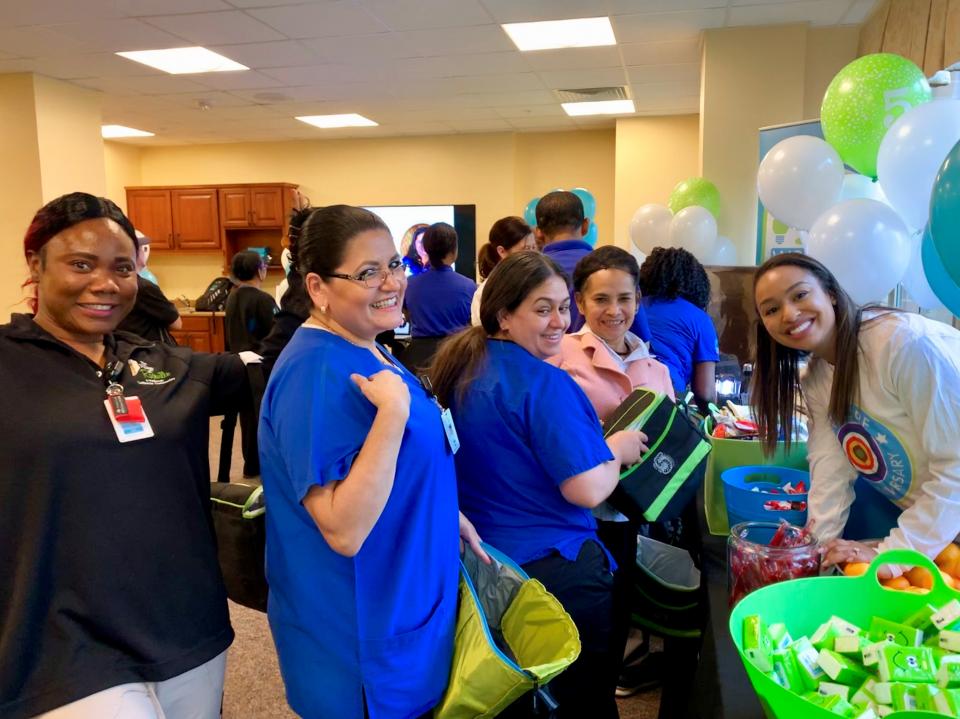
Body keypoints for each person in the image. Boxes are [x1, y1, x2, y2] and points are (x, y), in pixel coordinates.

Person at [1, 192, 252, 719]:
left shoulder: (164, 365)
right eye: (80, 264)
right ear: (36, 264)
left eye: (122, 267)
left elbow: (293, 374)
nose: (105, 283)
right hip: (61, 646)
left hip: (186, 626)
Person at [258, 205, 486, 719]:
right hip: (360, 640)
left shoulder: (369, 346)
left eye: (395, 265)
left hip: (404, 600)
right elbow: (342, 528)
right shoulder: (316, 371)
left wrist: (439, 510)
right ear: (317, 288)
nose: (391, 283)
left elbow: (391, 467)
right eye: (367, 273)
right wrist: (393, 414)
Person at [429, 251, 647, 719]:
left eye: (563, 307)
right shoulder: (545, 384)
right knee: (581, 699)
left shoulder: (464, 366)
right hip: (555, 575)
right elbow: (586, 490)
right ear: (504, 315)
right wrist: (618, 450)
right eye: (542, 309)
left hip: (485, 568)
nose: (558, 322)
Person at [752, 252, 960, 572]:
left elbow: (956, 468)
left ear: (831, 293)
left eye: (800, 295)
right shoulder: (816, 378)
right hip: (940, 533)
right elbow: (829, 474)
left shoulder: (903, 345)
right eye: (772, 309)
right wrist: (812, 560)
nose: (789, 314)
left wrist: (889, 558)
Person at [546, 245, 675, 696]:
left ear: (638, 299)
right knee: (577, 626)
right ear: (579, 302)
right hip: (573, 516)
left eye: (625, 298)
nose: (614, 310)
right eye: (601, 299)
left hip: (629, 516)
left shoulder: (654, 367)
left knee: (619, 617)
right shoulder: (557, 357)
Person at [536, 190, 651, 343]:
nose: (613, 310)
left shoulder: (523, 273)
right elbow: (641, 338)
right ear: (585, 226)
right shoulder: (616, 270)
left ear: (538, 233)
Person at [639, 247, 719, 411]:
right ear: (696, 282)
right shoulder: (700, 319)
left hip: (622, 396)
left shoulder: (633, 307)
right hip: (666, 400)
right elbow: (705, 394)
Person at [224, 250, 276, 478]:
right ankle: (264, 465)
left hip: (238, 365)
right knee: (263, 417)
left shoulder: (232, 297)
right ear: (260, 270)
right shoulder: (263, 300)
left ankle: (250, 465)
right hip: (260, 367)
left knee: (247, 419)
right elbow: (275, 336)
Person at [404, 222, 476, 338]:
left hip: (418, 353)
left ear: (426, 249)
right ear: (454, 250)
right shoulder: (469, 286)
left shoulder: (409, 284)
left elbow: (406, 316)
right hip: (456, 351)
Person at [115, 230, 182, 344]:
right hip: (148, 351)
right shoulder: (144, 287)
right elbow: (177, 324)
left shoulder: (113, 282)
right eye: (143, 248)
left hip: (121, 350)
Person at [471, 215, 537, 326]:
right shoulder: (486, 292)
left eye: (533, 248)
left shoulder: (539, 282)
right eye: (526, 249)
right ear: (502, 251)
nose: (532, 255)